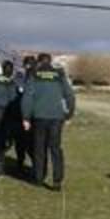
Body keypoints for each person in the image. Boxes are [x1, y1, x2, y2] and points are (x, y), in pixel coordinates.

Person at [21, 53, 75, 190]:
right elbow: (70, 95)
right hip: (57, 117)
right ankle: (57, 181)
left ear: (39, 62)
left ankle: (39, 178)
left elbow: (27, 97)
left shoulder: (34, 75)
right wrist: (69, 114)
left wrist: (26, 117)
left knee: (39, 148)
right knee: (55, 148)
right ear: (50, 62)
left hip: (39, 117)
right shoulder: (59, 75)